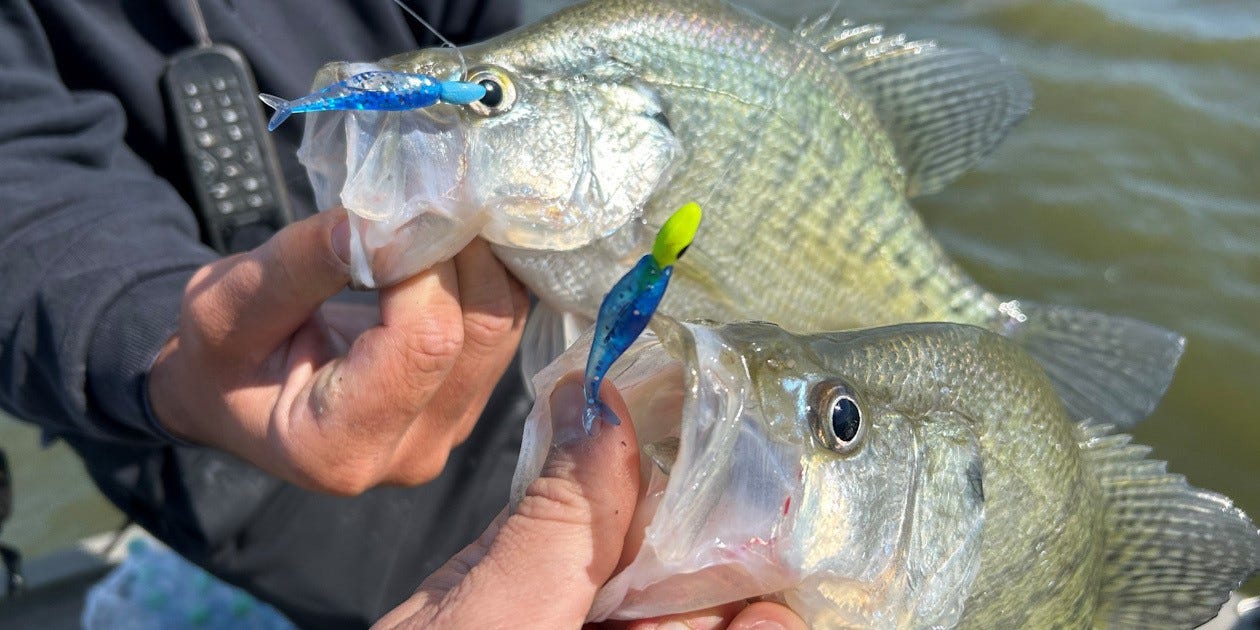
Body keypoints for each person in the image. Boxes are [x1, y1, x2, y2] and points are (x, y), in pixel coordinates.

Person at [0, 0, 803, 627]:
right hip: (235, 444)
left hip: (521, 356)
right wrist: (158, 338)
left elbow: (488, 35)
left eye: (482, 100)